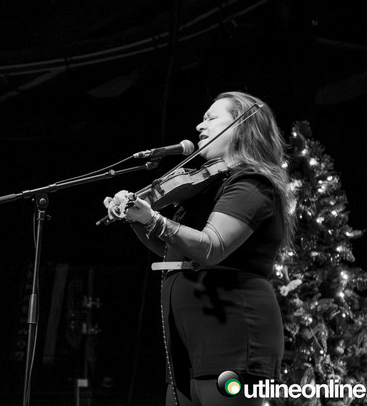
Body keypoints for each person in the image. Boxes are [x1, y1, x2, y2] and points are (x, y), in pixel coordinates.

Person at [103, 91, 294, 406]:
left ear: (241, 127)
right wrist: (137, 219)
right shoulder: (206, 187)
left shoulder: (252, 183)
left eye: (211, 118)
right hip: (189, 340)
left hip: (232, 330)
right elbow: (173, 251)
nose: (199, 126)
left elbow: (210, 247)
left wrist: (154, 219)